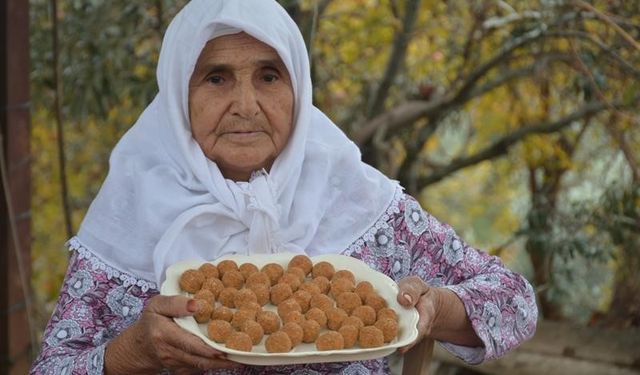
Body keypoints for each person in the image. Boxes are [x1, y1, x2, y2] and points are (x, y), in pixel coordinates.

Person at [30, 1, 538, 374]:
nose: (246, 105)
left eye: (269, 76)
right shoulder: (132, 208)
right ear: (177, 96)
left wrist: (435, 310)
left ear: (298, 89)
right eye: (216, 78)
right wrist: (134, 352)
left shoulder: (359, 203)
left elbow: (514, 301)